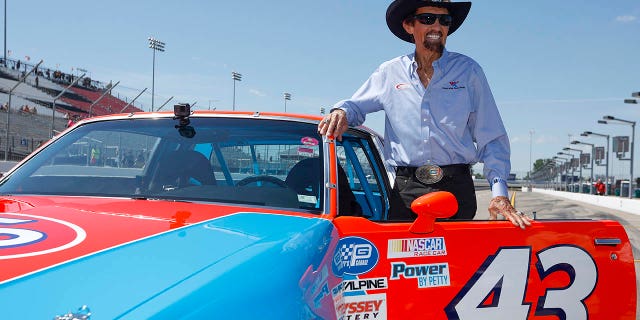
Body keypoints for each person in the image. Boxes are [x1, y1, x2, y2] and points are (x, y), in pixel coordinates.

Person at [318, 0, 531, 229]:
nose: (437, 26)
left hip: (456, 190)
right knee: (403, 262)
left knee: (459, 263)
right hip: (406, 192)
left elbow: (492, 137)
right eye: (428, 19)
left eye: (444, 20)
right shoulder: (389, 73)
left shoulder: (469, 72)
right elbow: (355, 107)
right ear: (409, 25)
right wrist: (340, 111)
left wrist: (499, 193)